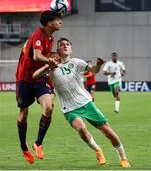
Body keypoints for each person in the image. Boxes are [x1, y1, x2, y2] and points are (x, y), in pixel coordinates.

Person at [33, 38, 130, 167]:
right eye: (62, 45)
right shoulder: (52, 66)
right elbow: (35, 76)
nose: (65, 46)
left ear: (71, 49)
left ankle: (123, 158)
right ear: (58, 50)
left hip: (85, 102)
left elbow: (94, 70)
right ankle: (98, 150)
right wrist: (46, 66)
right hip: (68, 108)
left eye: (67, 44)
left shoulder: (76, 62)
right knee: (81, 129)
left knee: (107, 130)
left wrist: (99, 65)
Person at [15, 10, 62, 164]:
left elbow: (43, 58)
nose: (60, 22)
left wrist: (51, 59)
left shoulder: (51, 37)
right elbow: (36, 56)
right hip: (25, 79)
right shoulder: (39, 35)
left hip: (39, 78)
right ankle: (24, 146)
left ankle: (38, 143)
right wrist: (50, 61)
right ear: (49, 23)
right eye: (57, 20)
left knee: (48, 108)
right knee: (23, 113)